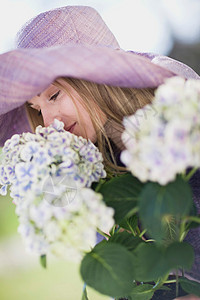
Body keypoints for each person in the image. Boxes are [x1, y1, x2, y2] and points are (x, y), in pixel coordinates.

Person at [0, 5, 199, 299]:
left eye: (55, 95)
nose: (47, 121)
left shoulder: (176, 133)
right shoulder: (87, 167)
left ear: (97, 79)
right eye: (38, 108)